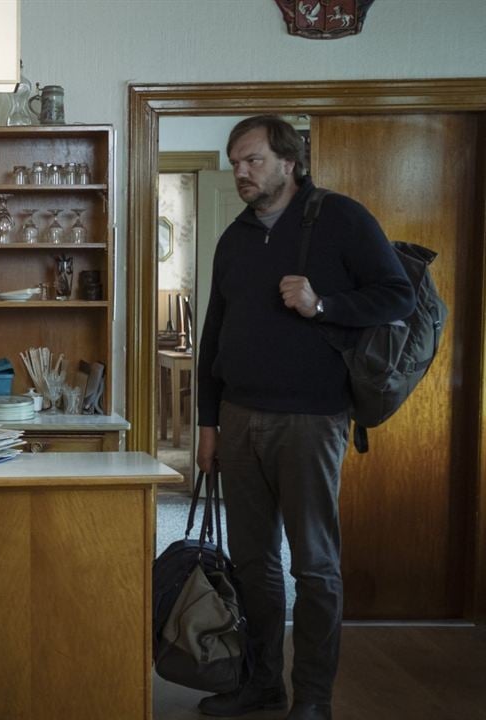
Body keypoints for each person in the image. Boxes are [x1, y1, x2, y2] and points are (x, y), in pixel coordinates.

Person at [194, 116, 415, 720]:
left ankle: (313, 698)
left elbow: (398, 295)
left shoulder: (339, 217)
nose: (240, 171)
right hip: (239, 419)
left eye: (253, 160)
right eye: (235, 161)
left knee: (314, 566)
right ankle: (263, 683)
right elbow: (214, 334)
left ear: (289, 162)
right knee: (251, 565)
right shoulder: (235, 237)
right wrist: (207, 424)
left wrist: (324, 304)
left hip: (312, 421)